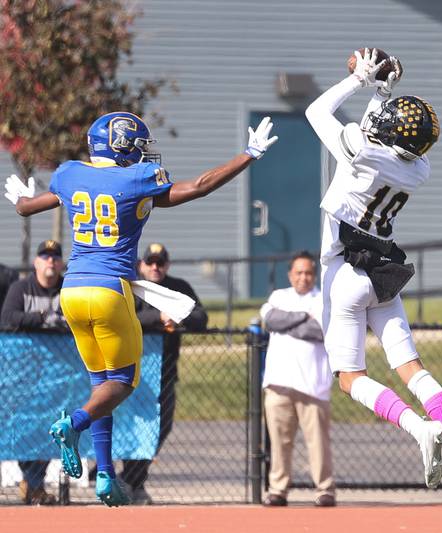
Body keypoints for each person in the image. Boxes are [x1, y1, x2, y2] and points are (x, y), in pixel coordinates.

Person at [4, 110, 277, 506]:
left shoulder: (69, 173)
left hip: (72, 292)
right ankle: (74, 423)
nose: (144, 155)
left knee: (103, 385)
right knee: (123, 383)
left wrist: (19, 200)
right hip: (109, 290)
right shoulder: (136, 180)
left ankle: (106, 478)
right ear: (122, 146)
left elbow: (28, 208)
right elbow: (198, 186)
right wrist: (247, 155)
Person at [305, 49, 442, 505]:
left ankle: (419, 428)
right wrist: (385, 91)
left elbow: (316, 111)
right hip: (383, 274)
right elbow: (378, 131)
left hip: (343, 272)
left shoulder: (363, 152)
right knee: (412, 367)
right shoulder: (418, 168)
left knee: (349, 376)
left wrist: (360, 80)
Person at [115, 243, 209, 504]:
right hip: (134, 371)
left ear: (167, 265)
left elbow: (201, 317)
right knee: (134, 429)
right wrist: (159, 317)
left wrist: (177, 316)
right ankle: (133, 483)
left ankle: (131, 480)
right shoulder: (131, 288)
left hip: (166, 371)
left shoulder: (178, 287)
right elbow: (124, 319)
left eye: (160, 262)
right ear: (141, 264)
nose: (155, 267)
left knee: (161, 427)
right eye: (150, 262)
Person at [260, 251, 335, 507]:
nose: (304, 277)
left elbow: (322, 331)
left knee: (318, 443)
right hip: (278, 383)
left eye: (308, 273)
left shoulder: (324, 300)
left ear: (314, 275)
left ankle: (324, 490)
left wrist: (288, 323)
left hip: (314, 385)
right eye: (299, 272)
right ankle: (278, 489)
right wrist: (304, 315)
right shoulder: (278, 296)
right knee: (280, 443)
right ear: (290, 275)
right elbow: (270, 319)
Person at [0, 239, 68, 505]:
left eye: (55, 256)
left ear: (61, 262)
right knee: (20, 426)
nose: (50, 261)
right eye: (45, 256)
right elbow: (8, 318)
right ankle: (33, 482)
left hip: (59, 373)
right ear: (36, 262)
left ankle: (35, 483)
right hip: (21, 373)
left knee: (49, 428)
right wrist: (41, 318)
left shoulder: (68, 288)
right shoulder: (21, 287)